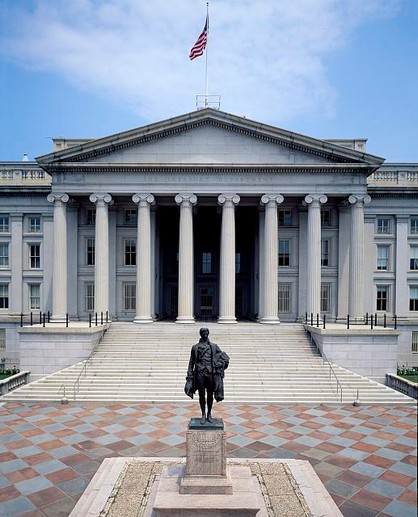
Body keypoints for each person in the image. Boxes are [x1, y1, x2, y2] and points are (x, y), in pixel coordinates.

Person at [185, 328, 229, 424]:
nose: (205, 335)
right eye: (203, 333)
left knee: (210, 395)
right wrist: (189, 375)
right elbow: (191, 362)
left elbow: (223, 357)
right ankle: (203, 414)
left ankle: (209, 413)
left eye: (206, 333)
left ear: (208, 334)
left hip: (210, 374)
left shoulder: (213, 346)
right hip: (200, 373)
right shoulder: (195, 347)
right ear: (200, 334)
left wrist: (220, 365)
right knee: (201, 395)